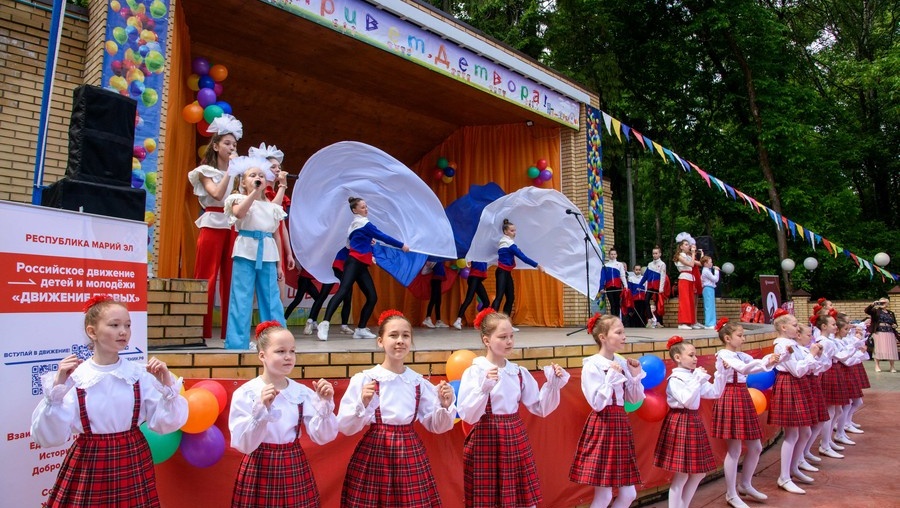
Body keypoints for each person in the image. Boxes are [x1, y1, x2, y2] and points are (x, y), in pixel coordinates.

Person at [31, 296, 188, 507]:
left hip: (131, 457)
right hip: (89, 460)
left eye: (127, 325)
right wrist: (57, 390)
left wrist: (167, 387)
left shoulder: (137, 374)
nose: (123, 331)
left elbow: (165, 423)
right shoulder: (75, 377)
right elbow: (48, 436)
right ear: (92, 332)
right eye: (114, 325)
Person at [337, 310, 455, 507]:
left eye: (405, 335)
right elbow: (345, 426)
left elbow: (437, 426)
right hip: (375, 451)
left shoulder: (417, 382)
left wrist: (444, 405)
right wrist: (363, 404)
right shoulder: (365, 379)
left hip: (409, 452)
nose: (400, 340)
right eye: (393, 335)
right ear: (380, 341)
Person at [458, 308, 569, 508]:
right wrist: (483, 389)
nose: (509, 341)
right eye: (502, 337)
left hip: (514, 437)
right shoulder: (475, 372)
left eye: (511, 336)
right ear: (486, 340)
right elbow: (468, 414)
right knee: (488, 501)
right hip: (486, 437)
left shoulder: (517, 372)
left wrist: (552, 384)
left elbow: (540, 407)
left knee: (522, 500)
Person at [229, 321, 337, 508]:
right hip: (258, 465)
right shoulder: (247, 393)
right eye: (281, 351)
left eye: (292, 351)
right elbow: (243, 444)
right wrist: (260, 411)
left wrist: (325, 405)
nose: (288, 357)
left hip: (293, 463)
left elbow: (323, 436)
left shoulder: (301, 393)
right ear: (262, 355)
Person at [569, 314, 644, 508]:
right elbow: (597, 404)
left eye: (624, 332)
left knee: (629, 493)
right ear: (603, 337)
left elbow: (633, 399)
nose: (624, 336)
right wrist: (611, 376)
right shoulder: (592, 365)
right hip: (603, 425)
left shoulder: (621, 363)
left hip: (620, 423)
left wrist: (635, 377)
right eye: (618, 332)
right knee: (604, 495)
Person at [223, 155, 293, 350]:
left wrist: (282, 185)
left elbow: (275, 219)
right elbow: (239, 213)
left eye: (261, 175)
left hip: (268, 253)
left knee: (271, 299)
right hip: (245, 251)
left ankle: (277, 341)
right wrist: (254, 193)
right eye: (252, 175)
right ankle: (237, 343)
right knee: (241, 298)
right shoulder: (237, 198)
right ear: (243, 181)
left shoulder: (270, 205)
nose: (258, 178)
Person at [318, 197, 410, 341]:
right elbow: (383, 236)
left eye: (366, 206)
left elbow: (348, 245)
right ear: (355, 210)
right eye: (362, 207)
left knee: (372, 297)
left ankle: (360, 329)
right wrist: (402, 245)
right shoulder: (365, 224)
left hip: (360, 265)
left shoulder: (353, 225)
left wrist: (366, 240)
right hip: (354, 262)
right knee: (343, 291)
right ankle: (324, 323)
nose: (365, 209)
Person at [712, 318, 778, 508]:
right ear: (727, 338)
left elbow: (756, 365)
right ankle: (731, 494)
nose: (743, 339)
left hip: (742, 395)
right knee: (734, 449)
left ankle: (745, 484)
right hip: (730, 396)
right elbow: (744, 368)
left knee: (756, 447)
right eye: (740, 336)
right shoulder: (723, 355)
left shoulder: (740, 355)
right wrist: (767, 360)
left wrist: (772, 359)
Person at [187, 114, 243, 340]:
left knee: (232, 278)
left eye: (235, 144)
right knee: (206, 275)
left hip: (232, 225)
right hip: (212, 222)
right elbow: (218, 194)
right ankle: (201, 330)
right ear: (216, 145)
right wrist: (231, 169)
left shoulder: (238, 175)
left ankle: (231, 332)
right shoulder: (204, 172)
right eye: (227, 143)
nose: (231, 148)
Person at [653, 336, 725, 508]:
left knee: (698, 473)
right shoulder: (675, 379)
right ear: (678, 358)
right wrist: (697, 380)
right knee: (681, 475)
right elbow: (687, 400)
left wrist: (722, 372)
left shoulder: (693, 376)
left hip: (692, 421)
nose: (695, 359)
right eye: (691, 355)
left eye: (695, 355)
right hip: (680, 421)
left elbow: (714, 392)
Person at [768, 309, 821, 495]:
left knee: (805, 431)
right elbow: (797, 370)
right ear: (783, 327)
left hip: (798, 384)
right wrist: (811, 356)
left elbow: (806, 368)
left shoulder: (792, 344)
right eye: (794, 324)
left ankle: (794, 467)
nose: (797, 327)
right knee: (792, 434)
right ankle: (784, 476)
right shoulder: (782, 345)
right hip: (790, 383)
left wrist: (811, 358)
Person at [491, 218, 544, 331]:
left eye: (515, 230)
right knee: (499, 297)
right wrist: (537, 265)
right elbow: (523, 258)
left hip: (506, 272)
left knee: (510, 298)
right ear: (506, 232)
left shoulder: (507, 243)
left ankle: (505, 325)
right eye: (512, 231)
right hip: (501, 272)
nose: (514, 233)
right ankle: (490, 324)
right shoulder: (507, 243)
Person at [306, 248, 354, 337]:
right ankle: (311, 321)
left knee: (345, 297)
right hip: (339, 265)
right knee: (326, 295)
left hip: (341, 265)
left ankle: (311, 321)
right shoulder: (347, 236)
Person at [673, 235, 702, 330]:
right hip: (684, 278)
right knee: (685, 301)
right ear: (681, 246)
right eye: (686, 244)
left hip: (690, 278)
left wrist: (700, 254)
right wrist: (693, 253)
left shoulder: (688, 255)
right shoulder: (679, 256)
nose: (688, 246)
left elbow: (699, 263)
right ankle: (682, 322)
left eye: (688, 244)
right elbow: (691, 264)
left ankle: (690, 322)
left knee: (690, 301)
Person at [453, 261, 490, 330]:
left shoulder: (485, 255)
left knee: (486, 302)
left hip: (478, 279)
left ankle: (479, 321)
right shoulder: (475, 252)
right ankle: (458, 320)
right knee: (468, 299)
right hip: (474, 277)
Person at [866, 298, 897, 373]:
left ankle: (892, 367)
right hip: (879, 332)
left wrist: (895, 325)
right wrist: (872, 304)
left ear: (887, 303)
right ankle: (877, 366)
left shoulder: (891, 313)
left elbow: (895, 323)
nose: (883, 304)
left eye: (884, 302)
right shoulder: (876, 311)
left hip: (890, 332)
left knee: (891, 349)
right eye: (881, 302)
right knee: (878, 348)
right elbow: (867, 311)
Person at [643, 246, 668, 327]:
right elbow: (645, 276)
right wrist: (640, 285)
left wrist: (661, 288)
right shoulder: (650, 264)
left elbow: (663, 277)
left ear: (660, 254)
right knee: (646, 301)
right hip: (650, 286)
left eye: (656, 253)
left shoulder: (662, 264)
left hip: (657, 287)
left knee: (658, 304)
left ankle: (659, 322)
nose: (654, 255)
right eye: (653, 253)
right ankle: (650, 319)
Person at [600, 248, 628, 319]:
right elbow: (603, 278)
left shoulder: (620, 264)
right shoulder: (605, 266)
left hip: (617, 287)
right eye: (611, 254)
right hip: (609, 287)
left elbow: (622, 275)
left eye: (614, 254)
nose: (613, 256)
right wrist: (602, 287)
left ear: (616, 255)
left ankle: (617, 318)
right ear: (609, 255)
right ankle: (613, 319)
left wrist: (625, 286)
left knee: (617, 303)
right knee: (612, 303)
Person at [421, 259, 449, 328]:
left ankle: (438, 321)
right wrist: (429, 266)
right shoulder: (432, 260)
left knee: (438, 301)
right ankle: (427, 318)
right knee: (433, 299)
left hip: (438, 281)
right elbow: (423, 272)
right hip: (435, 281)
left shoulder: (440, 259)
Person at [700, 256, 720, 329]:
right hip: (708, 289)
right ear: (705, 263)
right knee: (709, 306)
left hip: (710, 289)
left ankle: (712, 322)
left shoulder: (707, 270)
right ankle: (709, 323)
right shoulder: (706, 271)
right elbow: (715, 279)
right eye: (710, 262)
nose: (711, 263)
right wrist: (716, 271)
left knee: (711, 306)